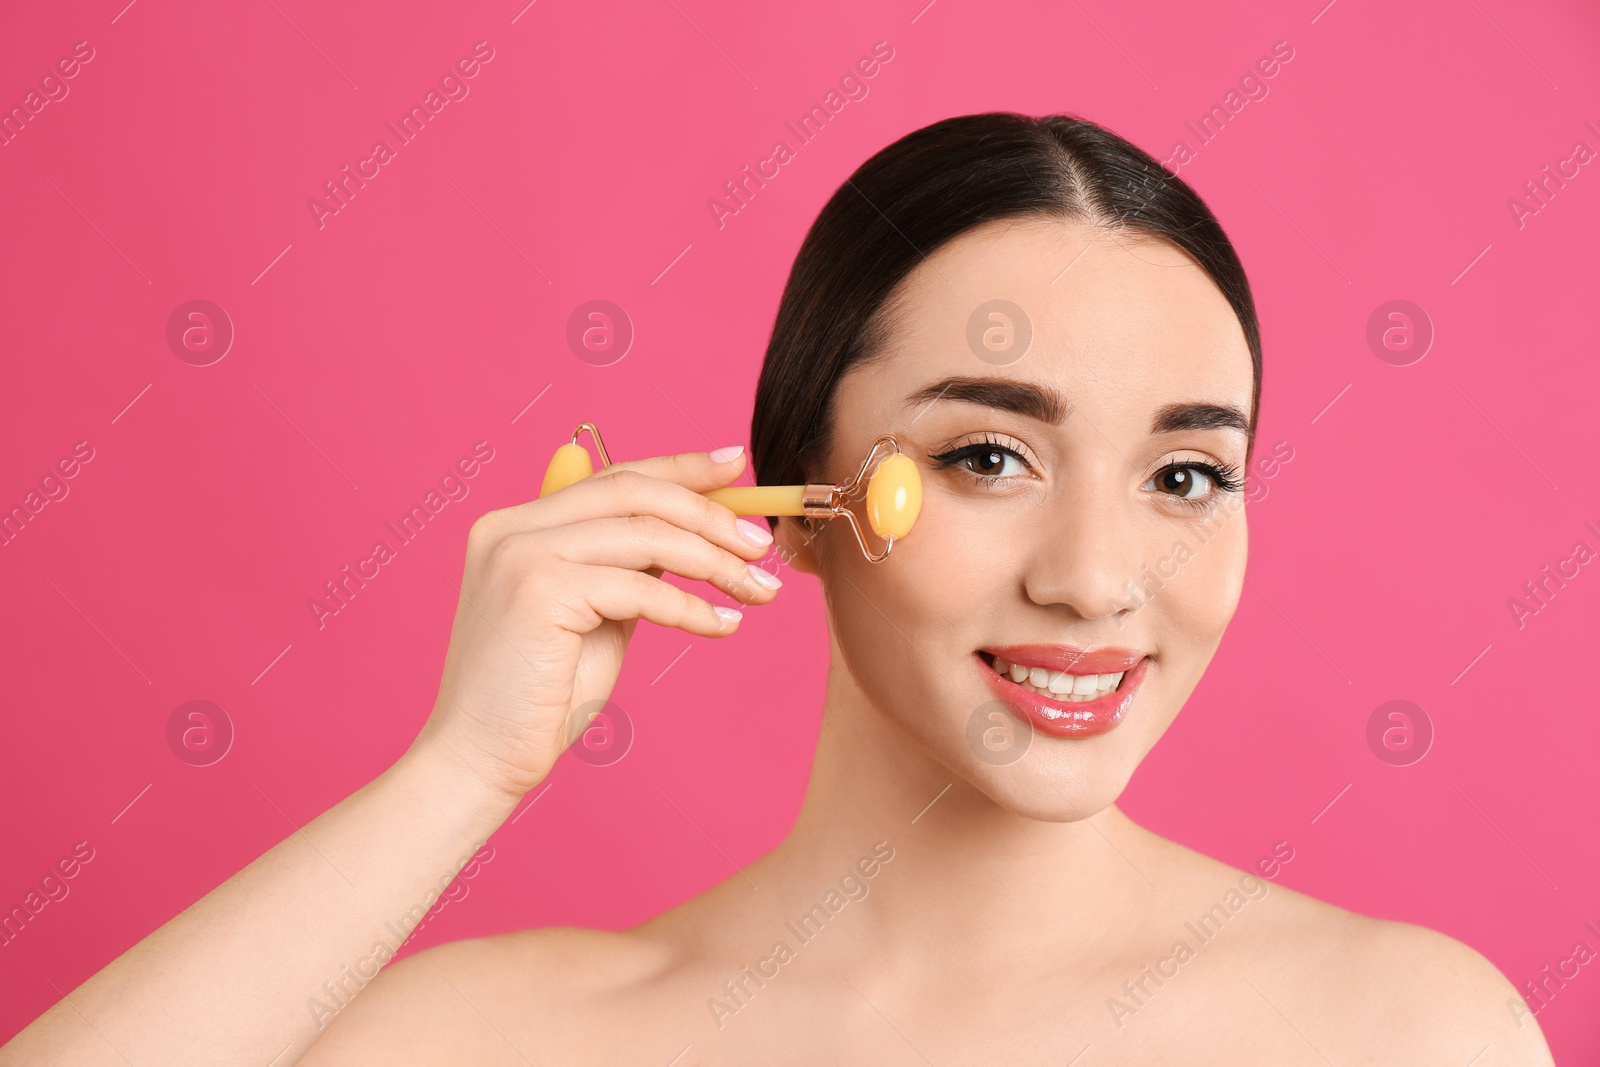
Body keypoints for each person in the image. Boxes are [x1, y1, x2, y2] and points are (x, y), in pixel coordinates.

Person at [2, 112, 1554, 1066]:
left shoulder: (1400, 1032)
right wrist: (462, 771)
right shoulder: (503, 1040)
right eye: (988, 459)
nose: (1096, 581)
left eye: (1186, 477)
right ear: (795, 499)